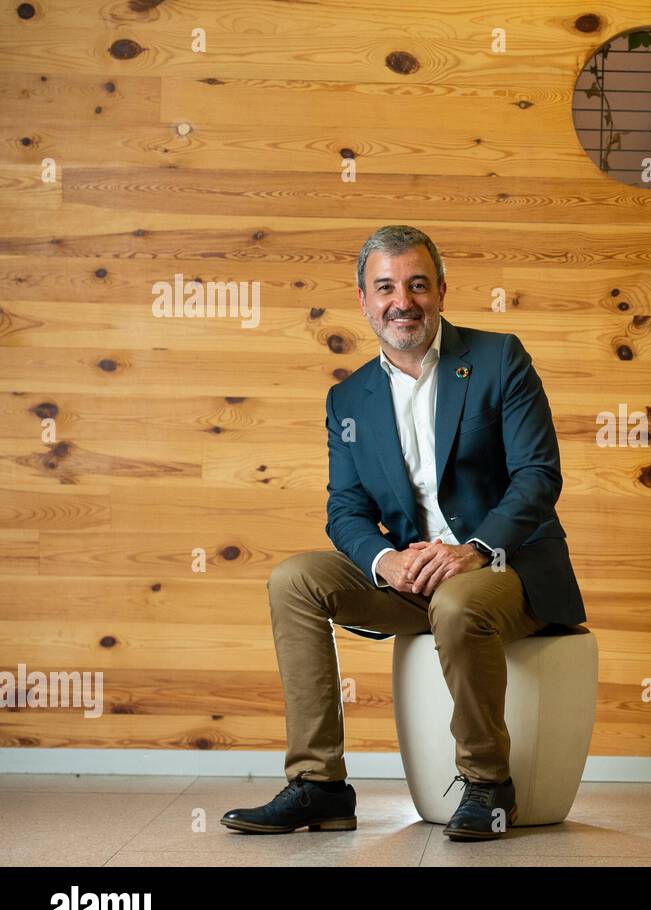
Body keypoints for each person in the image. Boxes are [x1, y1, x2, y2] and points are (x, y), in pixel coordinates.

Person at [221, 225, 586, 841]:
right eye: (385, 287)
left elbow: (537, 476)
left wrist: (474, 550)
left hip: (505, 569)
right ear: (364, 300)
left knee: (459, 599)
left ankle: (488, 785)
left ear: (441, 290)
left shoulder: (499, 360)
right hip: (412, 575)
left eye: (417, 284)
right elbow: (346, 512)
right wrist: (385, 561)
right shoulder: (349, 399)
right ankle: (320, 786)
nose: (403, 301)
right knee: (294, 580)